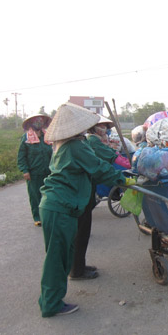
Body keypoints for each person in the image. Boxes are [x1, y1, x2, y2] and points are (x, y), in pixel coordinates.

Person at [38, 103, 136, 317]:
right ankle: (51, 304)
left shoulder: (68, 144)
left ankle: (51, 297)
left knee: (62, 255)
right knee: (57, 257)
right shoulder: (76, 146)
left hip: (61, 205)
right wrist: (125, 180)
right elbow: (99, 169)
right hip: (60, 206)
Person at [69, 115, 130, 280]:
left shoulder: (82, 142)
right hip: (80, 191)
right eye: (101, 126)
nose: (104, 129)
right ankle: (76, 270)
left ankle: (79, 266)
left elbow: (104, 157)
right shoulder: (85, 143)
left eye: (105, 126)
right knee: (80, 232)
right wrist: (124, 177)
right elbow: (99, 165)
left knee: (83, 231)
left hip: (83, 189)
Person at [17, 114, 53, 227]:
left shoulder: (47, 137)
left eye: (41, 121)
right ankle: (37, 217)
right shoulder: (26, 138)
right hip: (34, 172)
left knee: (49, 194)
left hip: (48, 171)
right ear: (31, 123)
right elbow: (21, 157)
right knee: (35, 196)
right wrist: (25, 170)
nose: (39, 122)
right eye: (36, 121)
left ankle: (48, 215)